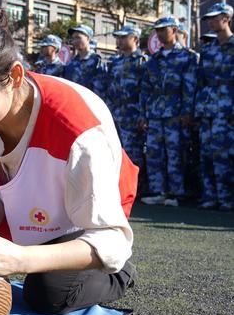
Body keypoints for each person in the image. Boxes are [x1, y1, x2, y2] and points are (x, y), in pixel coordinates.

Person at [0, 5, 137, 315]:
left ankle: (120, 277)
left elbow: (111, 239)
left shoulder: (77, 132)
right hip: (32, 211)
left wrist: (21, 259)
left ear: (14, 76)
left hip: (86, 218)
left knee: (49, 293)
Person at [139, 16, 197, 207]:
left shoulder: (187, 57)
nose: (160, 33)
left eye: (163, 29)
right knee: (155, 153)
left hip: (176, 113)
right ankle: (159, 191)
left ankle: (176, 193)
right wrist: (144, 114)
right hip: (156, 113)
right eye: (158, 30)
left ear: (174, 30)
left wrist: (187, 112)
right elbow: (146, 89)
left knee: (175, 153)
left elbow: (189, 88)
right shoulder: (153, 59)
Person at [195, 3, 233, 211]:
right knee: (206, 154)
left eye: (214, 18)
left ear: (226, 18)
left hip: (228, 110)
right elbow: (200, 81)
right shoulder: (208, 50)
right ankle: (210, 196)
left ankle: (226, 198)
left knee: (224, 155)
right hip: (208, 109)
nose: (210, 21)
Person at [107, 25, 147, 191]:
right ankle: (121, 188)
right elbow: (110, 89)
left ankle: (136, 188)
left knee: (133, 154)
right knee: (116, 152)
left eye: (124, 37)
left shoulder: (142, 61)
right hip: (117, 115)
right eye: (119, 37)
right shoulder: (115, 62)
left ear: (135, 39)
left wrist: (143, 115)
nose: (120, 40)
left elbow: (145, 90)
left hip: (134, 114)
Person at [63, 24, 108, 100]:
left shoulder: (97, 61)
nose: (75, 41)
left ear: (87, 38)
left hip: (90, 104)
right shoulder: (71, 63)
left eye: (78, 38)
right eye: (73, 38)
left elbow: (101, 89)